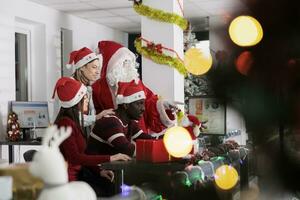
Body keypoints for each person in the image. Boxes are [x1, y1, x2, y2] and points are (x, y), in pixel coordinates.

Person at [52, 77, 131, 196]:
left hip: (80, 176)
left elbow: (83, 155)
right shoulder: (65, 123)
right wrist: (110, 158)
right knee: (110, 190)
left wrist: (99, 171)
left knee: (111, 186)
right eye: (85, 98)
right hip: (70, 181)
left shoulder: (72, 122)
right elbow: (75, 158)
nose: (87, 101)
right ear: (76, 101)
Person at [92, 40, 178, 134]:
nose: (127, 64)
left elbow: (149, 103)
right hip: (113, 136)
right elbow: (94, 114)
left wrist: (164, 106)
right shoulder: (98, 88)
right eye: (123, 61)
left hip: (139, 133)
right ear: (112, 65)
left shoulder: (137, 82)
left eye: (129, 61)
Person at [87, 80, 158, 156]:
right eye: (139, 104)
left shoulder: (129, 122)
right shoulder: (110, 121)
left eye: (143, 104)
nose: (143, 108)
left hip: (109, 166)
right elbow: (127, 149)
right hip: (97, 167)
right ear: (126, 105)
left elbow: (148, 139)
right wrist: (158, 151)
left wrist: (165, 139)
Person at [67, 47, 114, 130]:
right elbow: (74, 118)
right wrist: (97, 117)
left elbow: (89, 115)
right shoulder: (70, 87)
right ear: (82, 67)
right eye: (94, 67)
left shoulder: (87, 87)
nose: (98, 72)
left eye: (98, 68)